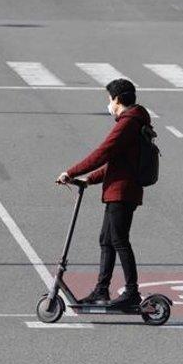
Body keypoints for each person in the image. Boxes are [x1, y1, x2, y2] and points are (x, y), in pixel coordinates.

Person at [56, 78, 149, 309]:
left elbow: (104, 153)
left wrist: (71, 171)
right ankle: (101, 290)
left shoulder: (128, 123)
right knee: (106, 240)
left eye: (109, 98)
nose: (108, 103)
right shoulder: (133, 121)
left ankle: (131, 293)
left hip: (123, 191)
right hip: (118, 189)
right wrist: (89, 179)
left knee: (119, 240)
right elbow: (117, 162)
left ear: (117, 99)